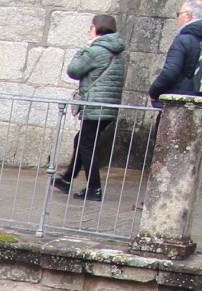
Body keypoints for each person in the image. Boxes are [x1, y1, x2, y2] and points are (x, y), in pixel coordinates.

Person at [54, 13, 127, 201]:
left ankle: (94, 188)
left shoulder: (96, 51)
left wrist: (83, 50)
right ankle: (68, 178)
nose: (89, 30)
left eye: (90, 27)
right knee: (82, 140)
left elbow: (74, 70)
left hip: (95, 106)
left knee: (86, 145)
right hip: (108, 107)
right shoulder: (118, 52)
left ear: (96, 28)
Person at [146, 0, 202, 104]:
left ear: (188, 15)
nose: (178, 17)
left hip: (178, 102)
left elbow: (170, 73)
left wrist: (153, 93)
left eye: (179, 14)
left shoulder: (183, 40)